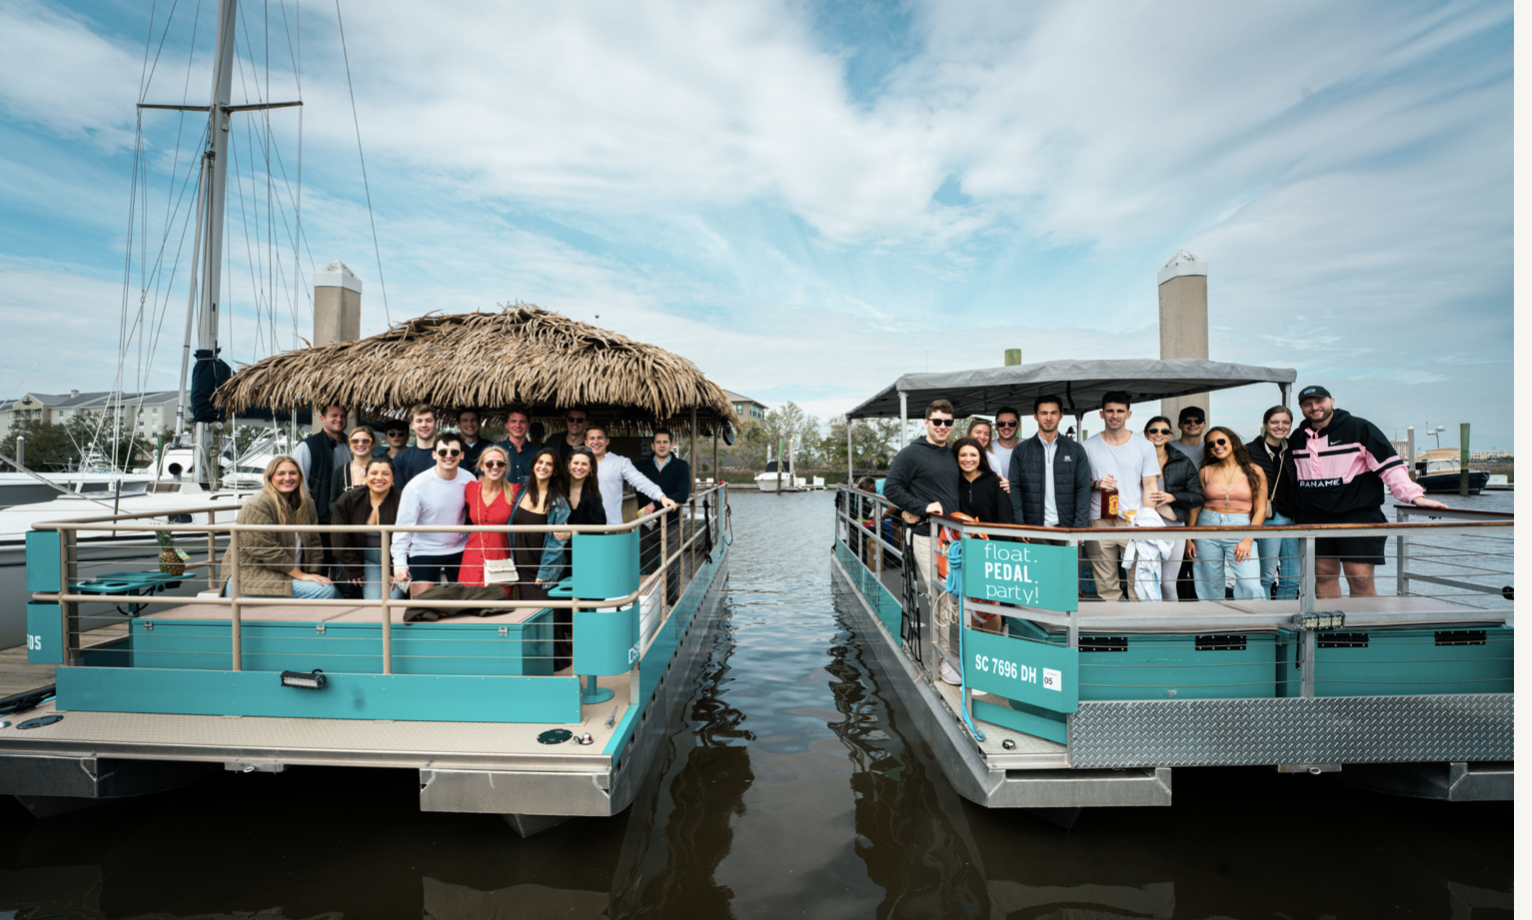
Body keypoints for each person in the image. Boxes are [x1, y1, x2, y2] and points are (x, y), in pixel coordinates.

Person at [1285, 385, 1446, 598]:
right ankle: (1330, 630)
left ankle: (1363, 628)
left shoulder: (1360, 429)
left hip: (1357, 513)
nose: (1315, 407)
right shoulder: (1296, 438)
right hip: (1312, 516)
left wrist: (1415, 497)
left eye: (1320, 401)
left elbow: (1390, 467)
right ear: (1301, 408)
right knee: (1323, 575)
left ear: (1332, 401)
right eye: (1308, 404)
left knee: (1360, 577)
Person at [883, 399, 961, 683]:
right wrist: (919, 507)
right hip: (927, 536)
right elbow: (892, 487)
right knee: (940, 595)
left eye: (947, 423)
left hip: (955, 538)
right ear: (926, 422)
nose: (942, 427)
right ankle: (942, 659)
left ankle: (957, 651)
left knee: (957, 594)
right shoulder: (911, 454)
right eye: (937, 421)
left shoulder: (952, 454)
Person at [217, 456, 339, 599]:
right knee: (327, 592)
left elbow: (314, 544)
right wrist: (301, 575)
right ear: (270, 477)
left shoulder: (306, 503)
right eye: (281, 473)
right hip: (249, 579)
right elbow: (264, 549)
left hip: (286, 577)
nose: (287, 478)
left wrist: (313, 575)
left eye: (293, 473)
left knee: (325, 586)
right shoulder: (259, 503)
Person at [1080, 392, 1161, 601]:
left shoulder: (1144, 445)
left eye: (1119, 411)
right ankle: (1114, 628)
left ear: (1128, 414)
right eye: (1110, 411)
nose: (1114, 415)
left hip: (1133, 520)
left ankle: (1139, 628)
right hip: (1098, 520)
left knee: (1139, 580)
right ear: (1101, 414)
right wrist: (1096, 484)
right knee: (1106, 584)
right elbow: (1079, 485)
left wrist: (1147, 521)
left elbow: (1150, 485)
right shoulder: (1087, 447)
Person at [391, 432, 476, 598]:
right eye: (443, 452)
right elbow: (403, 527)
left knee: (469, 602)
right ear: (434, 454)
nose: (449, 456)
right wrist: (400, 564)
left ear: (462, 455)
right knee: (420, 606)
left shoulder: (469, 479)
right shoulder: (416, 485)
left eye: (454, 452)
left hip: (459, 547)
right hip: (424, 549)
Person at [1187, 427, 1266, 600]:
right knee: (1209, 583)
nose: (1217, 446)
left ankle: (1253, 623)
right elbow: (1196, 507)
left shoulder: (1255, 471)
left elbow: (1261, 509)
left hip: (1241, 529)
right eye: (1211, 444)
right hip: (1206, 527)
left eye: (1221, 441)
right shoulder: (1205, 471)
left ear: (1233, 443)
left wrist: (1247, 539)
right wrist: (1188, 537)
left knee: (1250, 583)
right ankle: (1213, 622)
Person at [1142, 416, 1203, 601]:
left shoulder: (1182, 461)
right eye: (1154, 430)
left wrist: (1174, 497)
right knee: (1147, 581)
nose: (1158, 434)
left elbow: (1198, 496)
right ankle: (1150, 624)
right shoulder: (1137, 458)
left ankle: (1171, 626)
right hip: (1144, 525)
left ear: (1169, 435)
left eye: (1164, 431)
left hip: (1174, 524)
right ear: (1146, 434)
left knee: (1168, 583)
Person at [1008, 394, 1092, 530]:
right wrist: (1019, 524)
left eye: (1053, 413)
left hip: (1067, 528)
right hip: (1033, 529)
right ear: (1035, 416)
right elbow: (1015, 489)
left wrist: (1079, 527)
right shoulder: (1021, 451)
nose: (1048, 418)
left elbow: (1083, 490)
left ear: (1061, 415)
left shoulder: (1076, 450)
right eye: (1044, 413)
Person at [331, 458, 404, 600]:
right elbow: (339, 536)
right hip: (366, 560)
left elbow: (410, 536)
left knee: (393, 600)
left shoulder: (403, 499)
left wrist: (395, 568)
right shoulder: (349, 498)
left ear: (393, 477)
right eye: (374, 473)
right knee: (375, 601)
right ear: (366, 476)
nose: (379, 478)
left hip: (395, 559)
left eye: (385, 473)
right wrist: (354, 568)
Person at [586, 424, 678, 530]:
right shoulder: (579, 464)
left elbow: (641, 482)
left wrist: (661, 497)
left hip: (611, 526)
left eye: (599, 438)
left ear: (607, 441)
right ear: (586, 443)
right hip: (581, 527)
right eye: (592, 438)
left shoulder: (620, 462)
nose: (596, 442)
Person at [1249, 406, 1298, 600]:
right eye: (1274, 422)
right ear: (1264, 424)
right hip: (1268, 517)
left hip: (1293, 519)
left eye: (1285, 422)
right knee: (1266, 577)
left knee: (1293, 577)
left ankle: (1283, 621)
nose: (1280, 426)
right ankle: (1265, 622)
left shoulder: (1293, 449)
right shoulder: (1251, 451)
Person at [636, 428, 691, 600]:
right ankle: (653, 603)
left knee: (670, 567)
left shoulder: (681, 466)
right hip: (648, 524)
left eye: (665, 442)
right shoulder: (640, 466)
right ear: (652, 445)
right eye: (658, 442)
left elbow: (682, 495)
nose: (661, 445)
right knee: (650, 566)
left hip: (671, 523)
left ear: (671, 445)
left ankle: (671, 602)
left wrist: (655, 502)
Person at [459, 445, 520, 592]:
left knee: (496, 606)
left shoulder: (515, 491)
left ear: (505, 467)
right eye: (489, 463)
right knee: (466, 605)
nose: (495, 467)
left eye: (500, 463)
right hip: (472, 558)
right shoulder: (471, 489)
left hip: (500, 560)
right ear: (481, 466)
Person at [512, 449, 565, 614]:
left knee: (545, 615)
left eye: (549, 464)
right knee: (528, 616)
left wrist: (545, 572)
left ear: (555, 470)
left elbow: (558, 541)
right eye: (540, 462)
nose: (543, 466)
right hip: (521, 567)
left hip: (541, 569)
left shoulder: (558, 501)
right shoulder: (521, 492)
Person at [292, 402, 349, 532]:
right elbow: (299, 485)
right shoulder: (307, 446)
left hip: (348, 517)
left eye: (343, 416)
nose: (339, 419)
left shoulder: (352, 445)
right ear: (322, 419)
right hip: (320, 518)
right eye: (334, 415)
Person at [391, 404, 440, 488]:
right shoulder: (401, 457)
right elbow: (398, 492)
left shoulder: (450, 454)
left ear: (436, 424)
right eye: (419, 421)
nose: (424, 425)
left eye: (428, 420)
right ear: (412, 425)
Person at [495, 407, 539, 488]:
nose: (518, 425)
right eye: (513, 421)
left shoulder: (538, 452)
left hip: (530, 499)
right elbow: (483, 481)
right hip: (500, 499)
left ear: (528, 426)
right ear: (507, 425)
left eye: (522, 422)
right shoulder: (494, 450)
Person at [331, 425, 378, 497]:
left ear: (373, 444)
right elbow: (332, 502)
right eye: (355, 441)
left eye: (365, 441)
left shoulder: (386, 468)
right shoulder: (340, 472)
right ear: (350, 445)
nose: (360, 444)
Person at [990, 406, 1022, 495]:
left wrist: (1013, 486)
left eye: (1011, 423)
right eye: (1001, 423)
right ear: (996, 427)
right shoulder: (988, 448)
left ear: (1018, 425)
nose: (1006, 427)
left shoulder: (1029, 447)